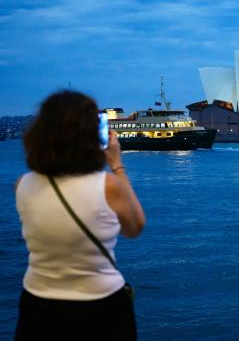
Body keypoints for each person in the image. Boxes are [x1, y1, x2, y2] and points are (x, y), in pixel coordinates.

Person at [14, 90, 145, 340]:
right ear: (91, 134)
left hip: (38, 304)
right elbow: (134, 227)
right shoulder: (107, 185)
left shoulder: (22, 184)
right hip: (101, 304)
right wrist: (117, 164)